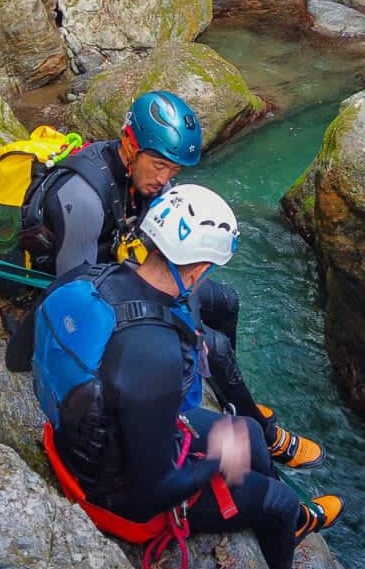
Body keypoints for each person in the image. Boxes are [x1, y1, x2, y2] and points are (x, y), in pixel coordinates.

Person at [7, 185, 343, 569]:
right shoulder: (157, 352)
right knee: (279, 501)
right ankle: (285, 527)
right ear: (199, 270)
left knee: (250, 432)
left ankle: (276, 512)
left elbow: (17, 359)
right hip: (116, 496)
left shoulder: (83, 278)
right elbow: (154, 496)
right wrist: (218, 460)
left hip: (78, 438)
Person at [21, 89, 323, 469]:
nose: (165, 180)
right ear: (130, 146)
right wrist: (174, 333)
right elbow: (74, 294)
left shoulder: (145, 179)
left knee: (226, 301)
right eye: (160, 166)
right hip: (93, 292)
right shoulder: (83, 198)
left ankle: (227, 390)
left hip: (122, 271)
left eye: (174, 171)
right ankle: (257, 428)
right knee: (211, 347)